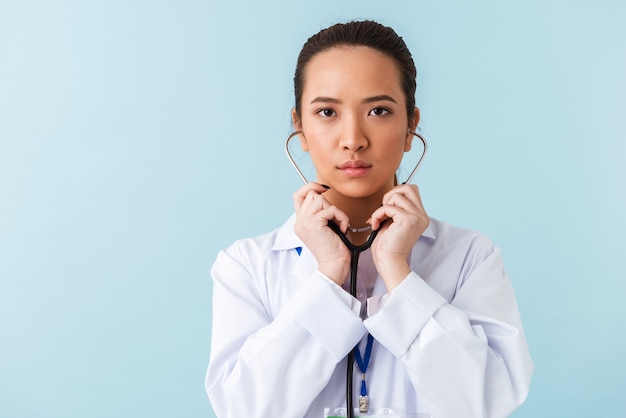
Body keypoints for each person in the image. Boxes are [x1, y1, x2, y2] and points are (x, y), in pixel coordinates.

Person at [205, 20, 533, 418]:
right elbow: (244, 410)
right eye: (327, 111)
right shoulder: (248, 266)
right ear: (300, 128)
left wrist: (398, 272)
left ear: (411, 125)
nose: (353, 139)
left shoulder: (470, 257)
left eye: (378, 110)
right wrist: (328, 275)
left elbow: (487, 403)